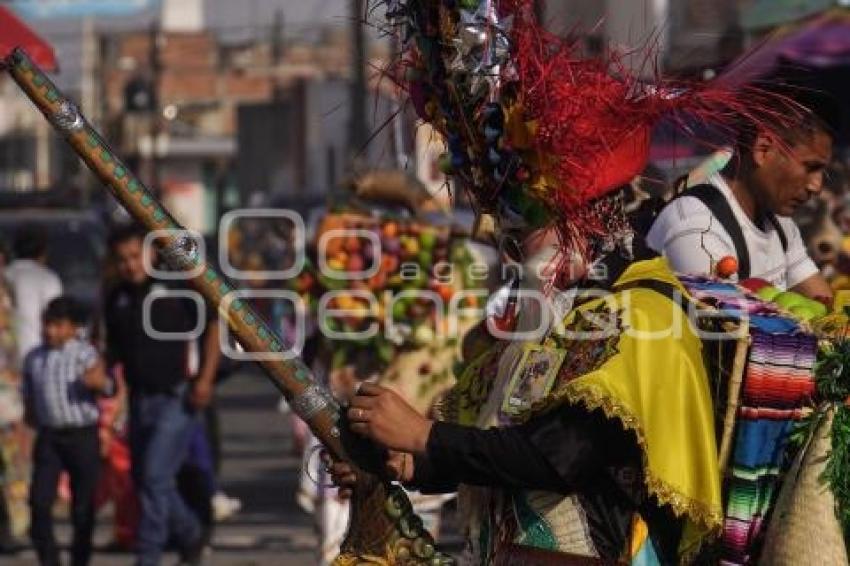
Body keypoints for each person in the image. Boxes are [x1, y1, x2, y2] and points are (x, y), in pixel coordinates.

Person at [324, 1, 807, 563]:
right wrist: (411, 463)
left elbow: (560, 457)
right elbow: (497, 449)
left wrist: (425, 437)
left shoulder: (640, 317)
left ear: (585, 219)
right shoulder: (542, 319)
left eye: (518, 222)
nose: (496, 234)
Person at [103, 224, 220, 566]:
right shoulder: (117, 297)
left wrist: (206, 379)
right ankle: (189, 532)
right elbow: (113, 352)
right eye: (122, 259)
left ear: (151, 253)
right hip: (140, 401)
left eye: (135, 256)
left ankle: (148, 556)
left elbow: (213, 324)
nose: (130, 265)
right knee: (145, 480)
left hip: (177, 398)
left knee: (155, 477)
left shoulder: (176, 287)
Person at [647, 92, 835, 301]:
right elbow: (727, 327)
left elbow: (823, 302)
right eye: (811, 167)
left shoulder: (779, 221)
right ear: (763, 149)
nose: (816, 186)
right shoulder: (697, 229)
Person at [22, 296, 112, 566]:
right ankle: (49, 560)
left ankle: (79, 559)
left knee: (83, 506)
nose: (51, 332)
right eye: (48, 325)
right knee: (39, 502)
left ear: (73, 328)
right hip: (50, 437)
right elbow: (29, 398)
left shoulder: (84, 354)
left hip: (81, 435)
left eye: (59, 325)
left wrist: (99, 383)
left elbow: (107, 387)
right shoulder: (34, 358)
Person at [5, 225, 62, 364]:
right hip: (39, 360)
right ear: (43, 253)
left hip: (6, 363)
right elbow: (57, 320)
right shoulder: (48, 279)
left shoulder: (5, 275)